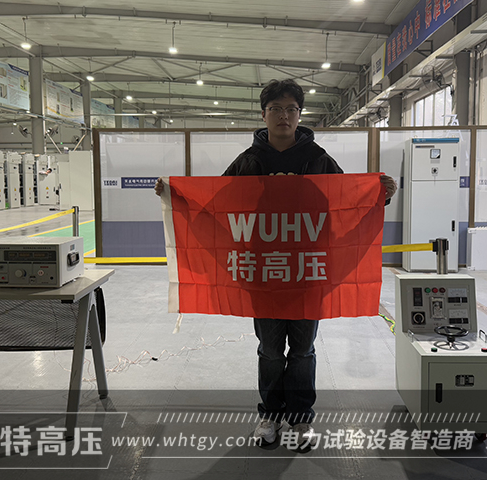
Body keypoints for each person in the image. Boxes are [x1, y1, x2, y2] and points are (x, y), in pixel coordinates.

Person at [156, 79, 396, 449]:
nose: (284, 116)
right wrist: (176, 196)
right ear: (263, 114)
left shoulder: (318, 160)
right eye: (276, 109)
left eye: (290, 109)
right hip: (263, 271)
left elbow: (347, 204)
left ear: (300, 114)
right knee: (269, 350)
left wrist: (381, 194)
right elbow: (215, 207)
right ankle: (269, 415)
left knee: (302, 350)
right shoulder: (248, 162)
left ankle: (300, 419)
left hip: (307, 271)